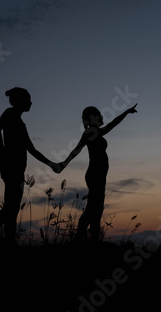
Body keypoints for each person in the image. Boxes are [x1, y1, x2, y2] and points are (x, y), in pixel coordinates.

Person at [0, 87, 59, 244]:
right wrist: (52, 164)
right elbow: (31, 149)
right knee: (10, 210)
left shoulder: (13, 118)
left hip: (14, 169)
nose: (31, 102)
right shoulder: (11, 116)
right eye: (28, 99)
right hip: (13, 170)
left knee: (11, 211)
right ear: (20, 101)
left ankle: (8, 242)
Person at [58, 103, 138, 241]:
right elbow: (76, 150)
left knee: (97, 209)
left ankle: (93, 238)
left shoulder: (93, 131)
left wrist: (126, 113)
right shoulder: (91, 132)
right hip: (95, 174)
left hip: (98, 175)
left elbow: (77, 149)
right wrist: (126, 112)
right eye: (97, 114)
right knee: (92, 209)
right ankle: (80, 238)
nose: (101, 116)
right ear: (91, 117)